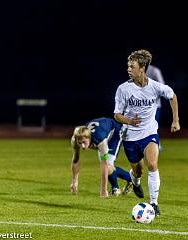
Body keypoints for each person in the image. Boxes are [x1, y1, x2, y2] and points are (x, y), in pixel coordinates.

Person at [114, 49, 180, 216]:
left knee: (152, 164)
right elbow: (116, 115)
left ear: (142, 68)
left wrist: (176, 120)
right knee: (138, 171)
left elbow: (172, 96)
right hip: (130, 136)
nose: (128, 69)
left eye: (132, 66)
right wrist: (129, 121)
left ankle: (154, 204)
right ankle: (135, 182)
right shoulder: (123, 89)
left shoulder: (155, 87)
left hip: (149, 133)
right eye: (128, 66)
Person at [70, 117, 132, 198]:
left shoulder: (100, 140)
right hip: (103, 131)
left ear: (89, 138)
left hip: (114, 133)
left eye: (84, 142)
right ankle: (116, 188)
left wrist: (103, 190)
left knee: (108, 165)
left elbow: (104, 164)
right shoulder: (74, 140)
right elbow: (75, 160)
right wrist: (74, 181)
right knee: (108, 166)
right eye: (80, 143)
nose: (82, 146)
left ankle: (129, 180)